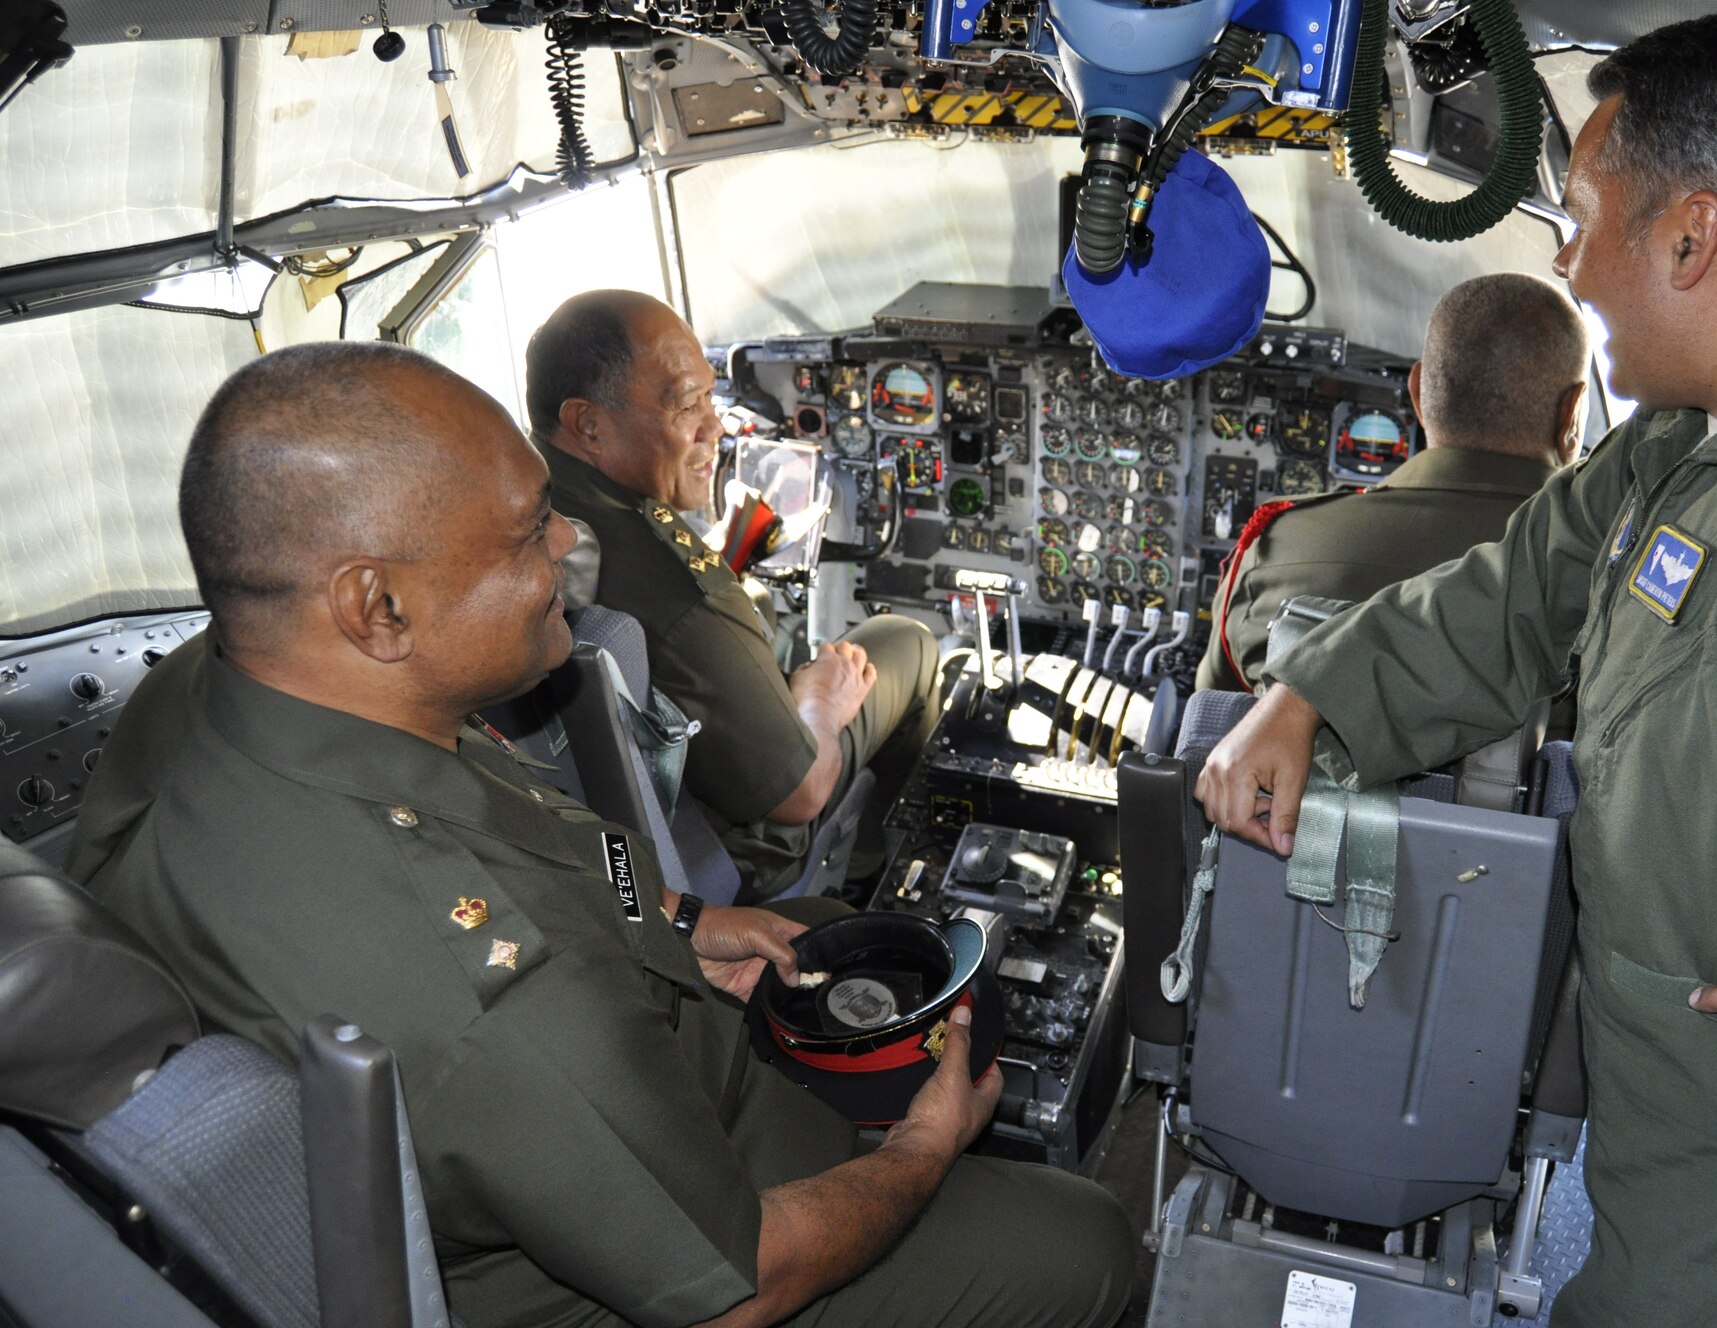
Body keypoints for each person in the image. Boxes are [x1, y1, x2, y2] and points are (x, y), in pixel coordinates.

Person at [1195, 13, 1717, 1327]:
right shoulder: (1704, 435)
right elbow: (1522, 588)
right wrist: (1315, 694)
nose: (1567, 263)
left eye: (1576, 217)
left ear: (1692, 234)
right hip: (1672, 1143)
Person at [67, 342, 1133, 1328]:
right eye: (531, 528)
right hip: (663, 1245)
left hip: (570, 1092)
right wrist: (923, 1147)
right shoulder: (498, 996)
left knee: (821, 927)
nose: (572, 540)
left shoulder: (236, 685)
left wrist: (681, 917)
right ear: (375, 608)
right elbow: (733, 1284)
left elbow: (562, 836)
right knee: (1084, 1242)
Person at [524, 292, 937, 902]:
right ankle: (871, 881)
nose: (714, 427)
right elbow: (799, 795)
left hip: (617, 813)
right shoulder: (680, 593)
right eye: (688, 406)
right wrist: (819, 704)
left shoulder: (531, 492)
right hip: (729, 856)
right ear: (588, 424)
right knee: (905, 643)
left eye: (711, 399)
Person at [1195, 273, 1588, 691]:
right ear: (1573, 415)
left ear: (1418, 393)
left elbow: (1211, 722)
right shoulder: (1606, 572)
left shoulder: (1275, 549)